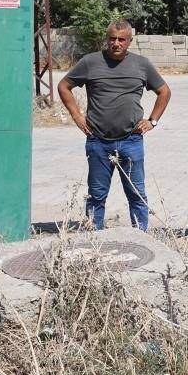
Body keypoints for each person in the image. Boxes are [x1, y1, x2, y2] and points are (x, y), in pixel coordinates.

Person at [58, 19, 171, 231]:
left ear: (129, 41)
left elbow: (164, 91)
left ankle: (141, 237)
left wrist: (152, 121)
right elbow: (64, 86)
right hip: (98, 141)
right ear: (106, 39)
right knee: (96, 196)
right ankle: (94, 240)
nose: (116, 43)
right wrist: (77, 117)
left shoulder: (142, 64)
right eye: (112, 39)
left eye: (121, 39)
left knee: (137, 195)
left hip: (131, 140)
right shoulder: (90, 62)